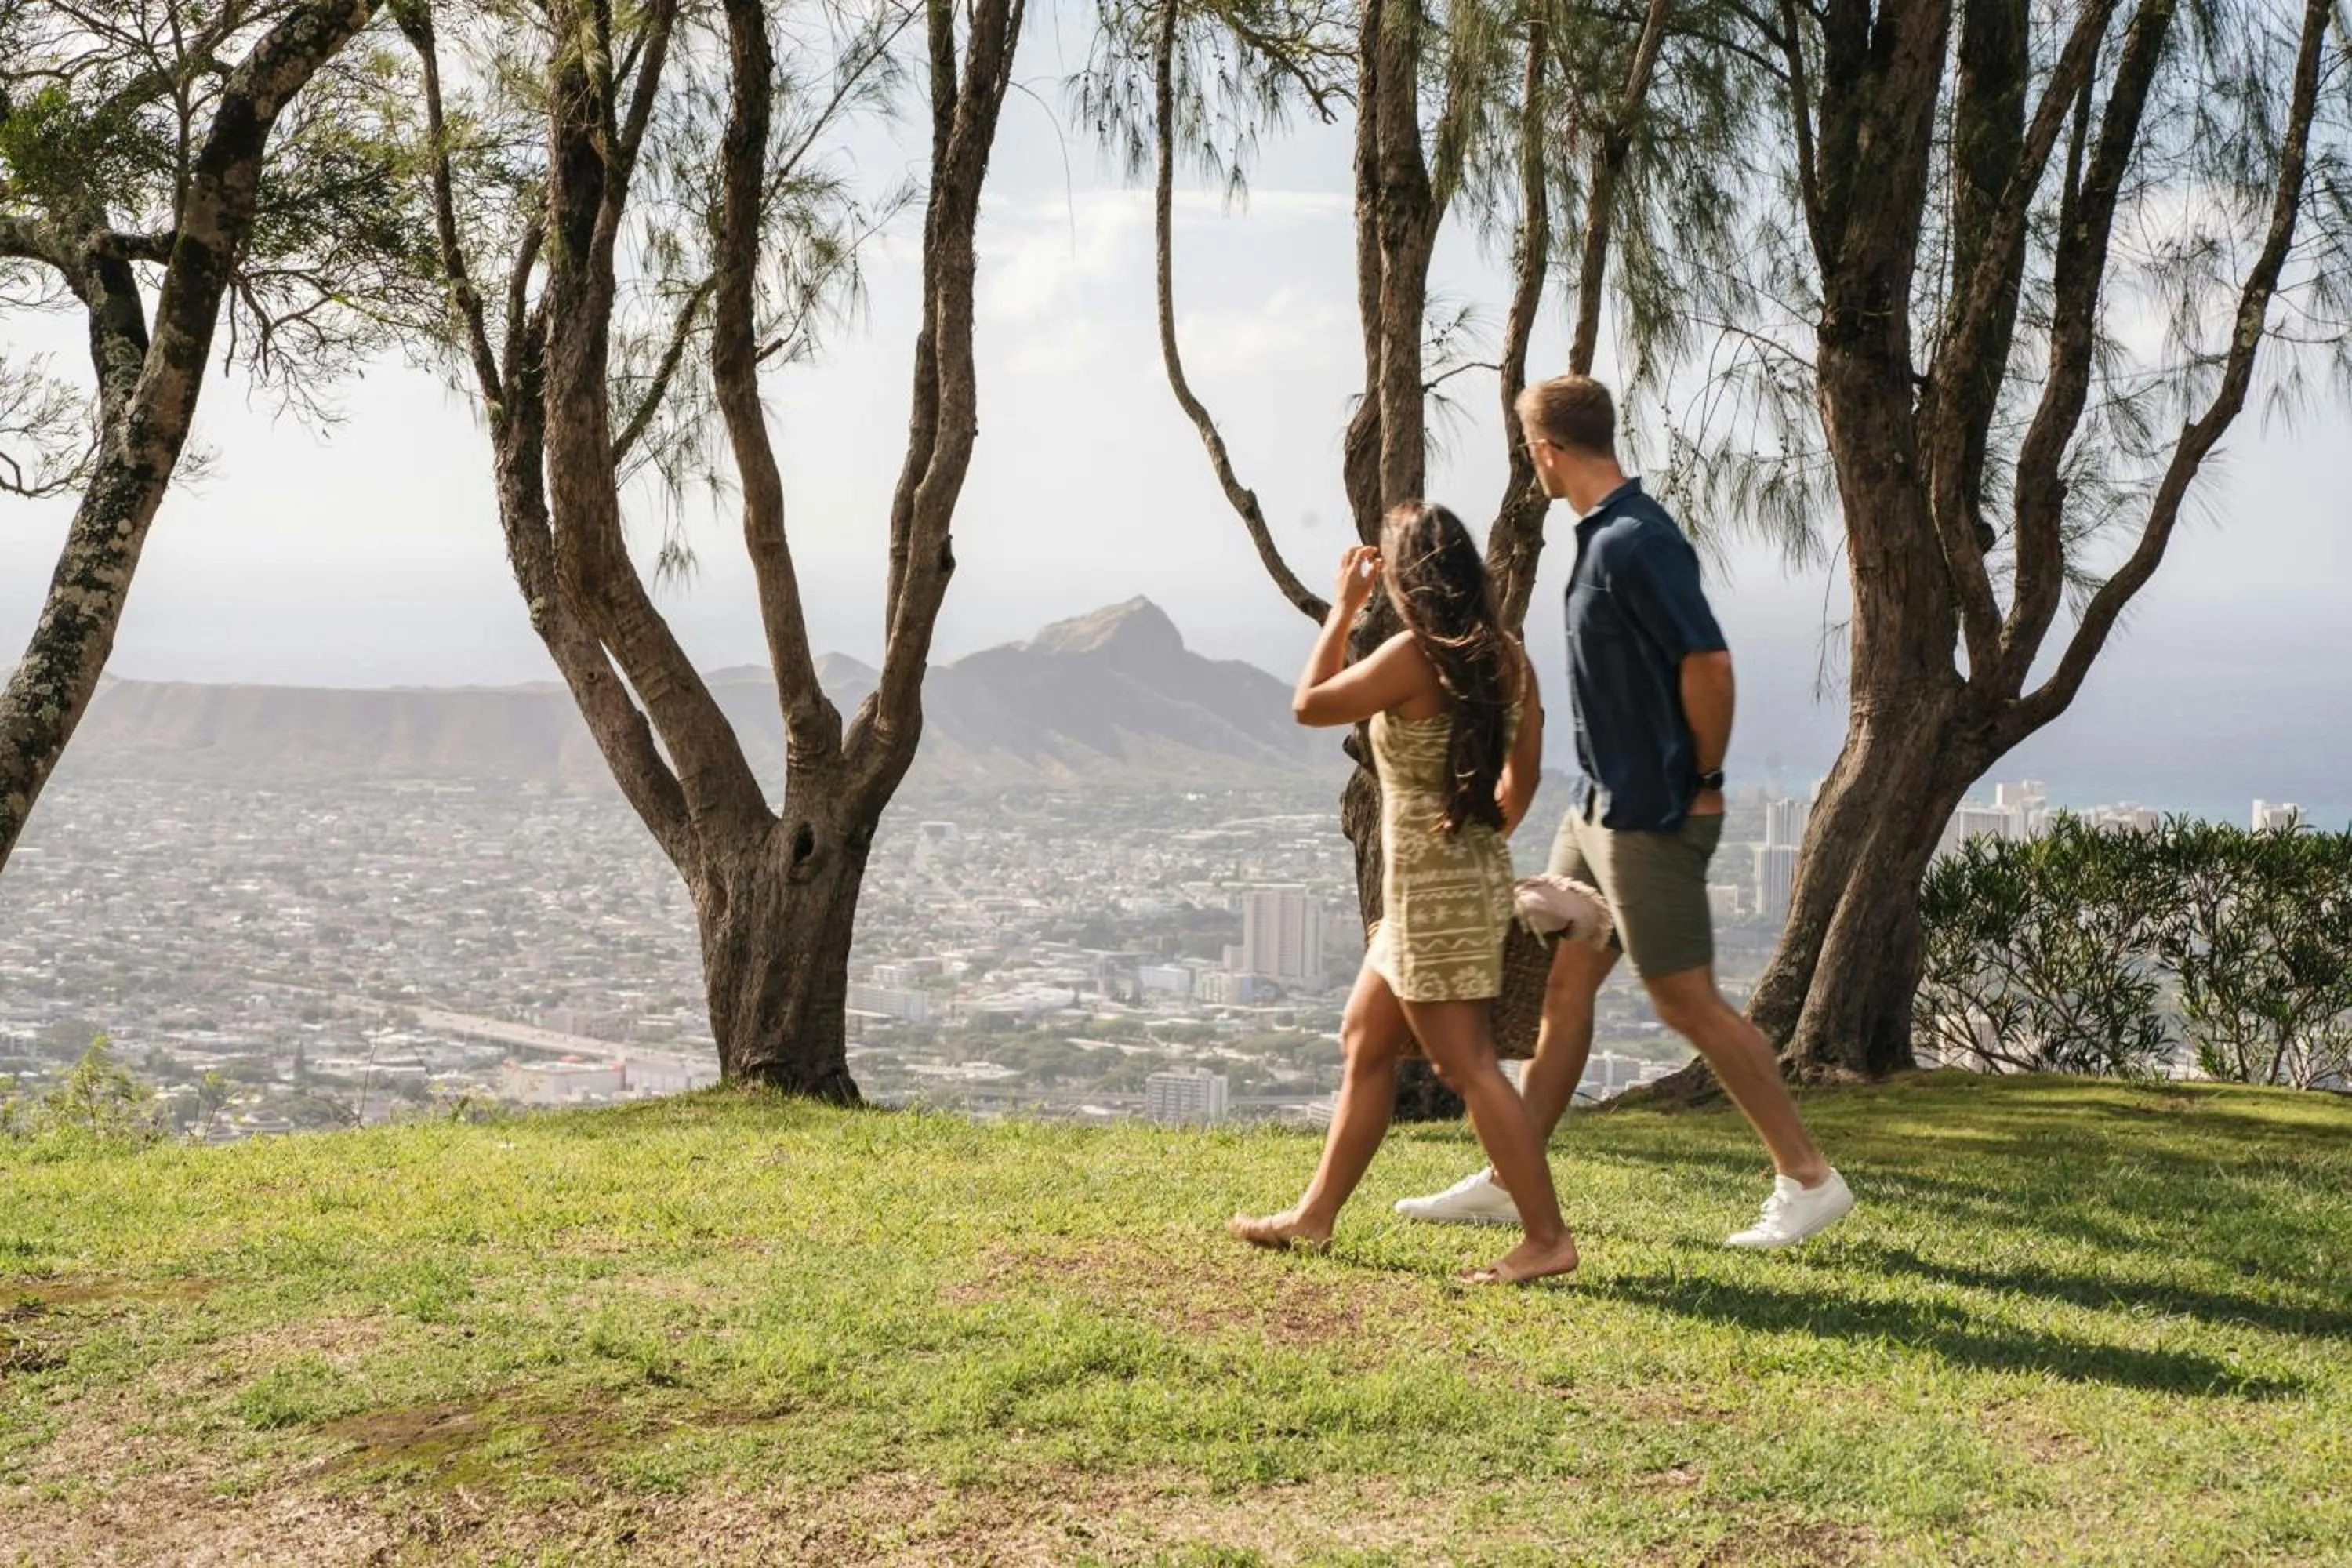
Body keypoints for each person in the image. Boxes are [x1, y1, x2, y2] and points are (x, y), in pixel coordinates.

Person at [1394, 375, 1855, 1250]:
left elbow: (1708, 665)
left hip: (1649, 812)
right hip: (1594, 805)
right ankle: (1508, 1172)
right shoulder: (1603, 536)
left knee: (1686, 1000)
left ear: (1545, 451)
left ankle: (1809, 1177)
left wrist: (1705, 775)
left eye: (1528, 450)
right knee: (1563, 987)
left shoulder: (1638, 542)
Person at [1228, 501, 1577, 1285]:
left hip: (1429, 897)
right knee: (1366, 1038)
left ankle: (1547, 1237)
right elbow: (1520, 783)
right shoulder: (1509, 657)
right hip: (1464, 880)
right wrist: (1475, 831)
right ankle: (1314, 1216)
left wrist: (1346, 609)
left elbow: (1309, 704)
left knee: (1470, 1067)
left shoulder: (1416, 655)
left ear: (1411, 577)